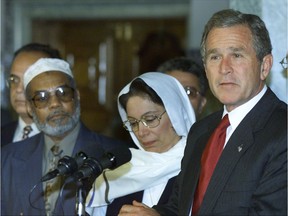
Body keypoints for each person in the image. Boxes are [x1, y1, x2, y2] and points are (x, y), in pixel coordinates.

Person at [118, 9, 287, 216]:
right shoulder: (201, 131)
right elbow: (180, 208)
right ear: (206, 68)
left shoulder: (282, 131)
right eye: (215, 57)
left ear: (265, 66)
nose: (225, 68)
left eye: (237, 55)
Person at [1, 58, 127, 215]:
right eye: (41, 97)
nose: (55, 103)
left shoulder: (114, 155)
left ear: (77, 96)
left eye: (63, 93)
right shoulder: (7, 159)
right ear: (28, 107)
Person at [85, 72, 196, 215]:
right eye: (133, 123)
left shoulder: (199, 165)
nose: (141, 132)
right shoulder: (117, 174)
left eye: (150, 120)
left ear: (176, 115)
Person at [1, 43, 61, 146]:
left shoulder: (66, 140)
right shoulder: (3, 134)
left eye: (28, 80)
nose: (19, 89)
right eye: (14, 79)